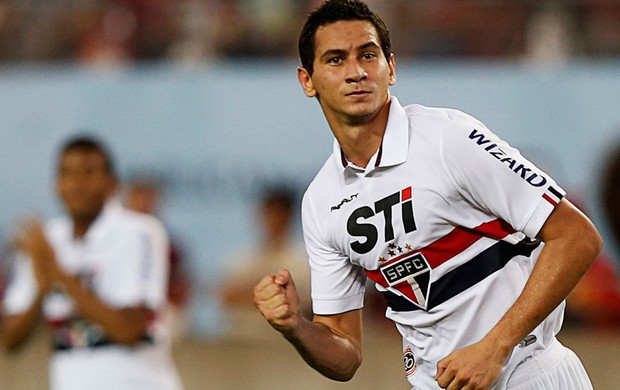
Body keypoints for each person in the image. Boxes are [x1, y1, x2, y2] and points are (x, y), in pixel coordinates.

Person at [252, 1, 603, 389]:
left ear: (391, 68)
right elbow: (345, 353)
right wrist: (296, 328)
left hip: (527, 372)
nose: (356, 72)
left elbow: (577, 236)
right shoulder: (321, 201)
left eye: (368, 55)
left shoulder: (447, 139)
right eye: (335, 60)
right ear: (307, 80)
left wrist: (495, 347)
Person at [1, 135, 184, 390]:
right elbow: (10, 339)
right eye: (67, 174)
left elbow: (128, 330)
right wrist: (43, 285)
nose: (77, 184)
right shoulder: (46, 240)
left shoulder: (139, 231)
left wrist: (58, 274)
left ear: (112, 183)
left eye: (88, 173)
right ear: (56, 184)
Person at [220, 186, 310, 341]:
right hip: (240, 340)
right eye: (269, 213)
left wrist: (250, 293)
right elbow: (226, 297)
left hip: (284, 342)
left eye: (278, 214)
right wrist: (268, 294)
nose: (272, 220)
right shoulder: (243, 257)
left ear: (288, 217)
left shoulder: (302, 259)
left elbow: (299, 302)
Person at [124, 178, 192, 342]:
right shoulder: (111, 242)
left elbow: (182, 289)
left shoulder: (168, 246)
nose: (143, 207)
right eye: (138, 201)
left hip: (158, 313)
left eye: (149, 202)